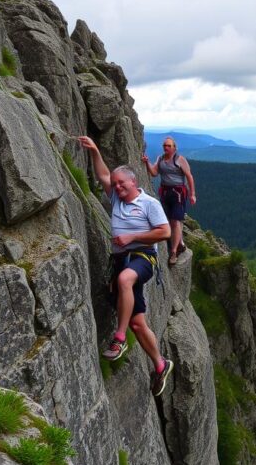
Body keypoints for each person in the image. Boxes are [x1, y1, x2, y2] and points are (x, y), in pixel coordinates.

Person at [78, 136, 175, 396]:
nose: (118, 187)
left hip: (143, 257)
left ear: (135, 182)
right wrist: (95, 151)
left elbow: (165, 232)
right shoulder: (117, 199)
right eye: (116, 184)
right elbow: (102, 176)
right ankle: (160, 364)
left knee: (124, 281)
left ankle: (118, 338)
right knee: (139, 324)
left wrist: (132, 237)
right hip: (122, 260)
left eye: (123, 183)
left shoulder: (149, 204)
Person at [141, 136, 197, 266]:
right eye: (164, 146)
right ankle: (180, 245)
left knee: (175, 221)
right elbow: (154, 173)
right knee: (168, 220)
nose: (166, 148)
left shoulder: (179, 159)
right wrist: (147, 162)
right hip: (165, 193)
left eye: (168, 146)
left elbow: (189, 176)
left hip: (178, 193)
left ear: (174, 148)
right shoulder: (160, 159)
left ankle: (173, 251)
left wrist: (192, 194)